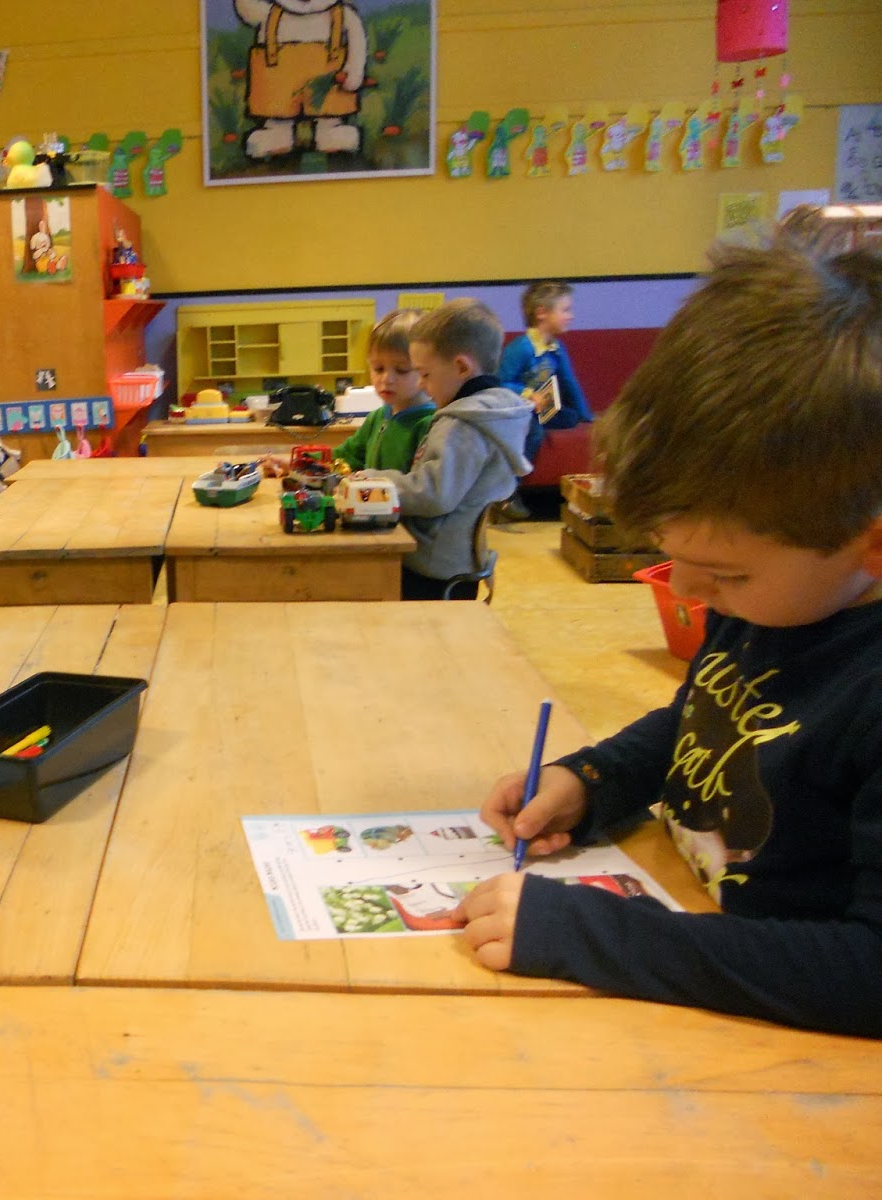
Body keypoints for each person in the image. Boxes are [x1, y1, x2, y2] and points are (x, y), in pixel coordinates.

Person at [455, 225, 882, 1038]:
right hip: (695, 938)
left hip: (782, 1047)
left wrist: (593, 934)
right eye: (669, 551)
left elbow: (869, 972)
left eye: (726, 574)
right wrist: (595, 779)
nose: (684, 591)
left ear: (874, 544)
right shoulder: (785, 599)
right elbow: (710, 719)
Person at [356, 298, 532, 600]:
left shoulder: (462, 424)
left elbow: (433, 494)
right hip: (459, 558)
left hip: (433, 564)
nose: (423, 385)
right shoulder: (494, 412)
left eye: (425, 374)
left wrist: (375, 481)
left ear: (461, 367)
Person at [262, 308, 435, 479]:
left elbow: (421, 487)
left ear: (426, 369)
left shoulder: (430, 425)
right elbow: (345, 458)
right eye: (378, 368)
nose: (386, 379)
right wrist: (296, 463)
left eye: (402, 370)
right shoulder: (377, 417)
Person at [497, 281, 595, 518]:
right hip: (515, 409)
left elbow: (569, 382)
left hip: (538, 409)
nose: (571, 316)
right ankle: (507, 491)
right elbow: (499, 382)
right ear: (542, 313)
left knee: (569, 417)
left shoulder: (555, 348)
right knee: (534, 432)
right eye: (565, 310)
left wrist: (587, 417)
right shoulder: (522, 348)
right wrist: (527, 394)